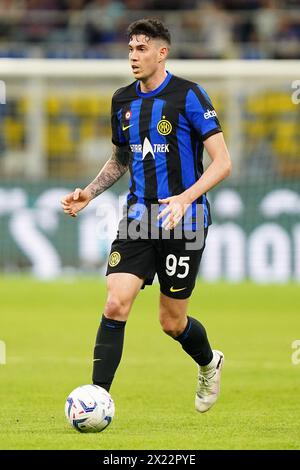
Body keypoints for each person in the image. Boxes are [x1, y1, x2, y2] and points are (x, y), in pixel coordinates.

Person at [61, 18, 232, 413]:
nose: (133, 56)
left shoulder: (189, 95)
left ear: (162, 52)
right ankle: (97, 398)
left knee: (171, 322)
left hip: (185, 221)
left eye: (141, 49)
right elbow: (122, 156)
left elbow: (223, 162)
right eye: (130, 49)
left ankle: (209, 363)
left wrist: (186, 199)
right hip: (138, 217)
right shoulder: (122, 100)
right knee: (115, 303)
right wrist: (89, 192)